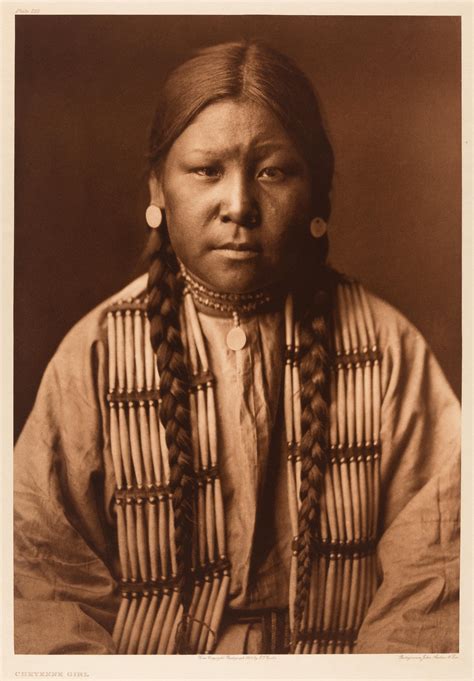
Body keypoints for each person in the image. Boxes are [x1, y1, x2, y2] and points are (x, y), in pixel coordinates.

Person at [14, 40, 460, 655]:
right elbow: (39, 581)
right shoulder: (95, 354)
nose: (240, 206)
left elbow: (440, 574)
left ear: (317, 191)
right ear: (158, 188)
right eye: (206, 171)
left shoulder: (385, 347)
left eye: (273, 171)